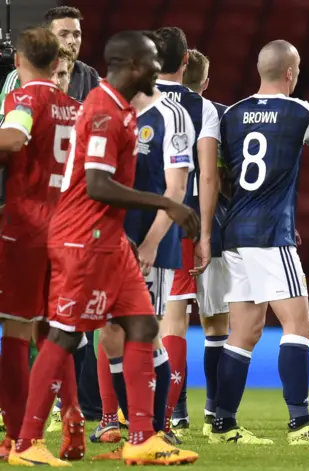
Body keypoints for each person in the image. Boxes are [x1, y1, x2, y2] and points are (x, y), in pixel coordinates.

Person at [8, 30, 199, 466]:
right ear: (131, 64)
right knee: (65, 334)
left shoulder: (123, 109)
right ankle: (27, 442)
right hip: (82, 240)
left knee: (143, 328)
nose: (158, 69)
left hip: (110, 241)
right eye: (152, 61)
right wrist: (164, 203)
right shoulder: (101, 110)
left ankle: (141, 437)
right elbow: (96, 184)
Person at [208, 39, 309, 446]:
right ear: (290, 73)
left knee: (245, 332)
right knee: (299, 324)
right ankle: (301, 424)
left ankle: (223, 424)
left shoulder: (231, 115)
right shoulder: (300, 110)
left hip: (235, 233)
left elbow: (224, 175)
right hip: (272, 235)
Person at [92, 55, 197, 449]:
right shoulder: (106, 109)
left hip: (150, 244)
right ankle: (131, 427)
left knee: (144, 333)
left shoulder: (171, 116)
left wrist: (150, 243)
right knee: (111, 334)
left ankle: (156, 427)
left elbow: (176, 189)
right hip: (107, 244)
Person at [0, 26, 81, 459]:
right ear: (57, 64)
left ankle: (18, 439)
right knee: (55, 330)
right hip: (68, 230)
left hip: (28, 229)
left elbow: (14, 138)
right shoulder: (78, 107)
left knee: (15, 329)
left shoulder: (25, 99)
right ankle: (72, 420)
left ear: (18, 62)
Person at [153, 27, 222, 438]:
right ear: (185, 63)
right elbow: (209, 177)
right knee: (174, 323)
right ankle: (163, 421)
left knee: (122, 323)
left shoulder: (130, 98)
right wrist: (207, 235)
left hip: (133, 221)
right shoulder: (201, 108)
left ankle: (114, 418)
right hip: (180, 224)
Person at [173, 48, 231, 436]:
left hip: (168, 227)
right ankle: (213, 408)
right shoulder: (219, 114)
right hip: (211, 227)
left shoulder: (154, 104)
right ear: (206, 83)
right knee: (215, 324)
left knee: (170, 321)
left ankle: (175, 410)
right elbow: (224, 179)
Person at [1, 6, 100, 105]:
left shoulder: (91, 76)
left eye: (76, 35)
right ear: (47, 37)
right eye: (63, 34)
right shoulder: (19, 77)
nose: (72, 41)